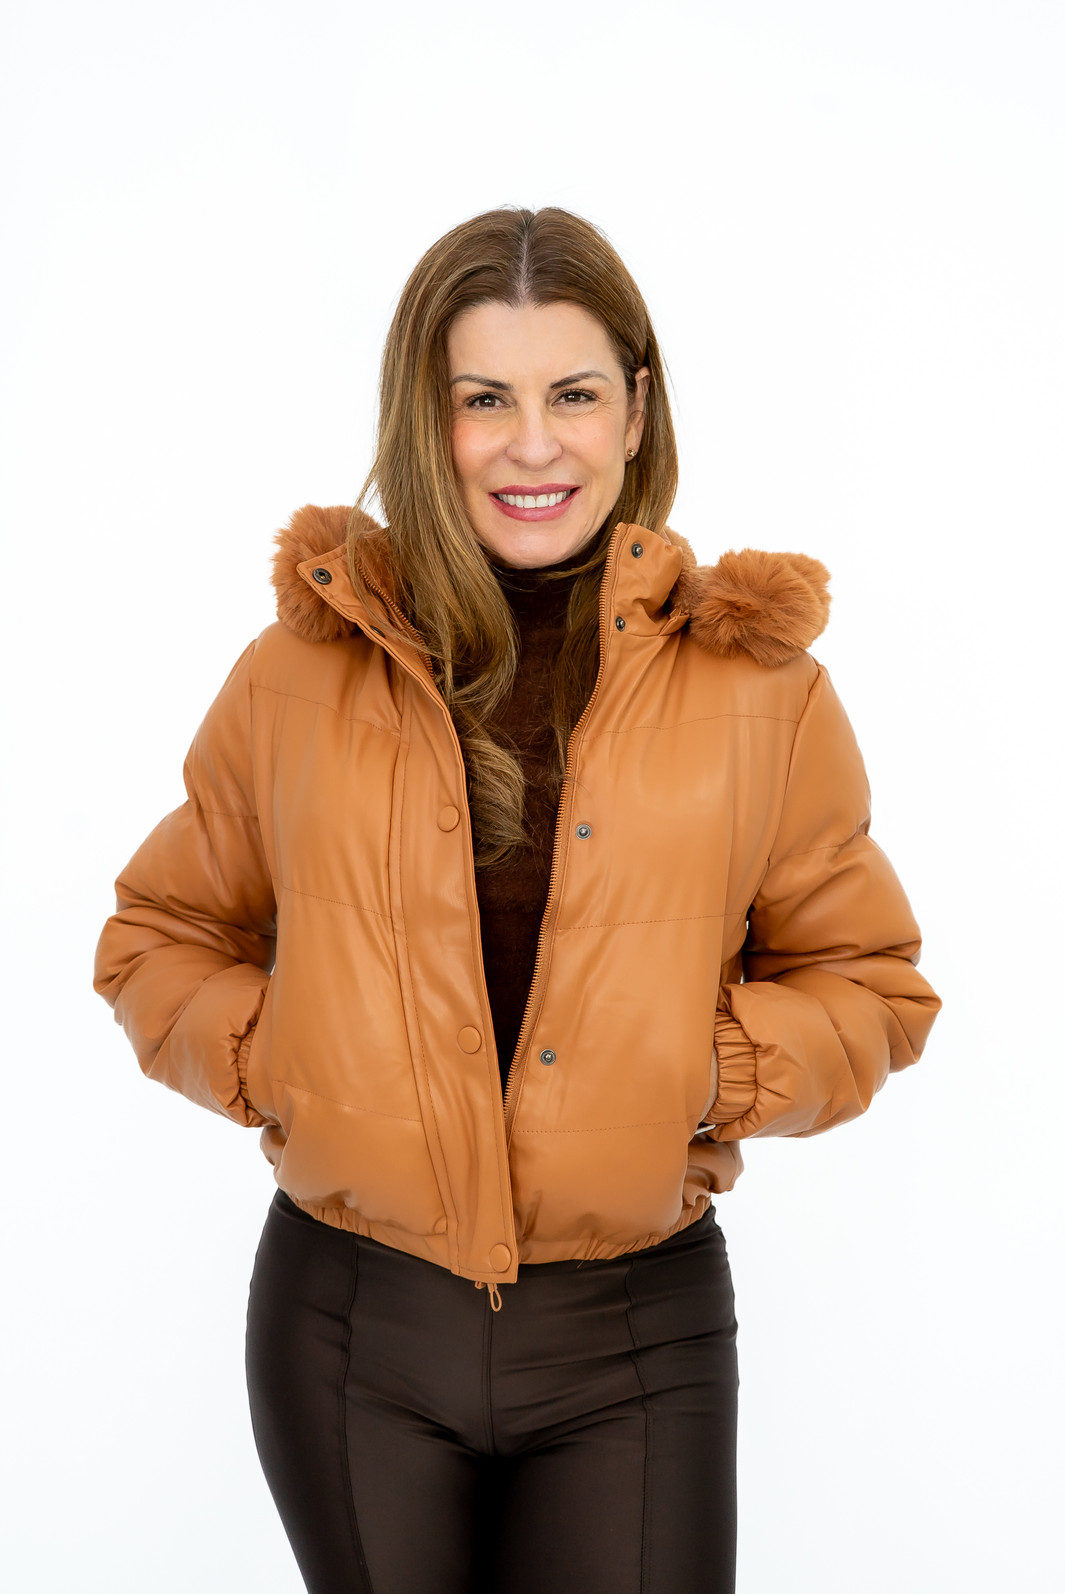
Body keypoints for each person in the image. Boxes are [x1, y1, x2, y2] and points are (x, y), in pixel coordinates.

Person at [92, 205, 941, 1594]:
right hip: (351, 1322)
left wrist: (704, 1071)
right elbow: (158, 936)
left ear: (636, 410)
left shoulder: (762, 693)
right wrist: (284, 1057)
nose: (531, 445)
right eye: (482, 398)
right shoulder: (299, 673)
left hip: (635, 1332)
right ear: (422, 418)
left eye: (573, 395)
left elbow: (870, 985)